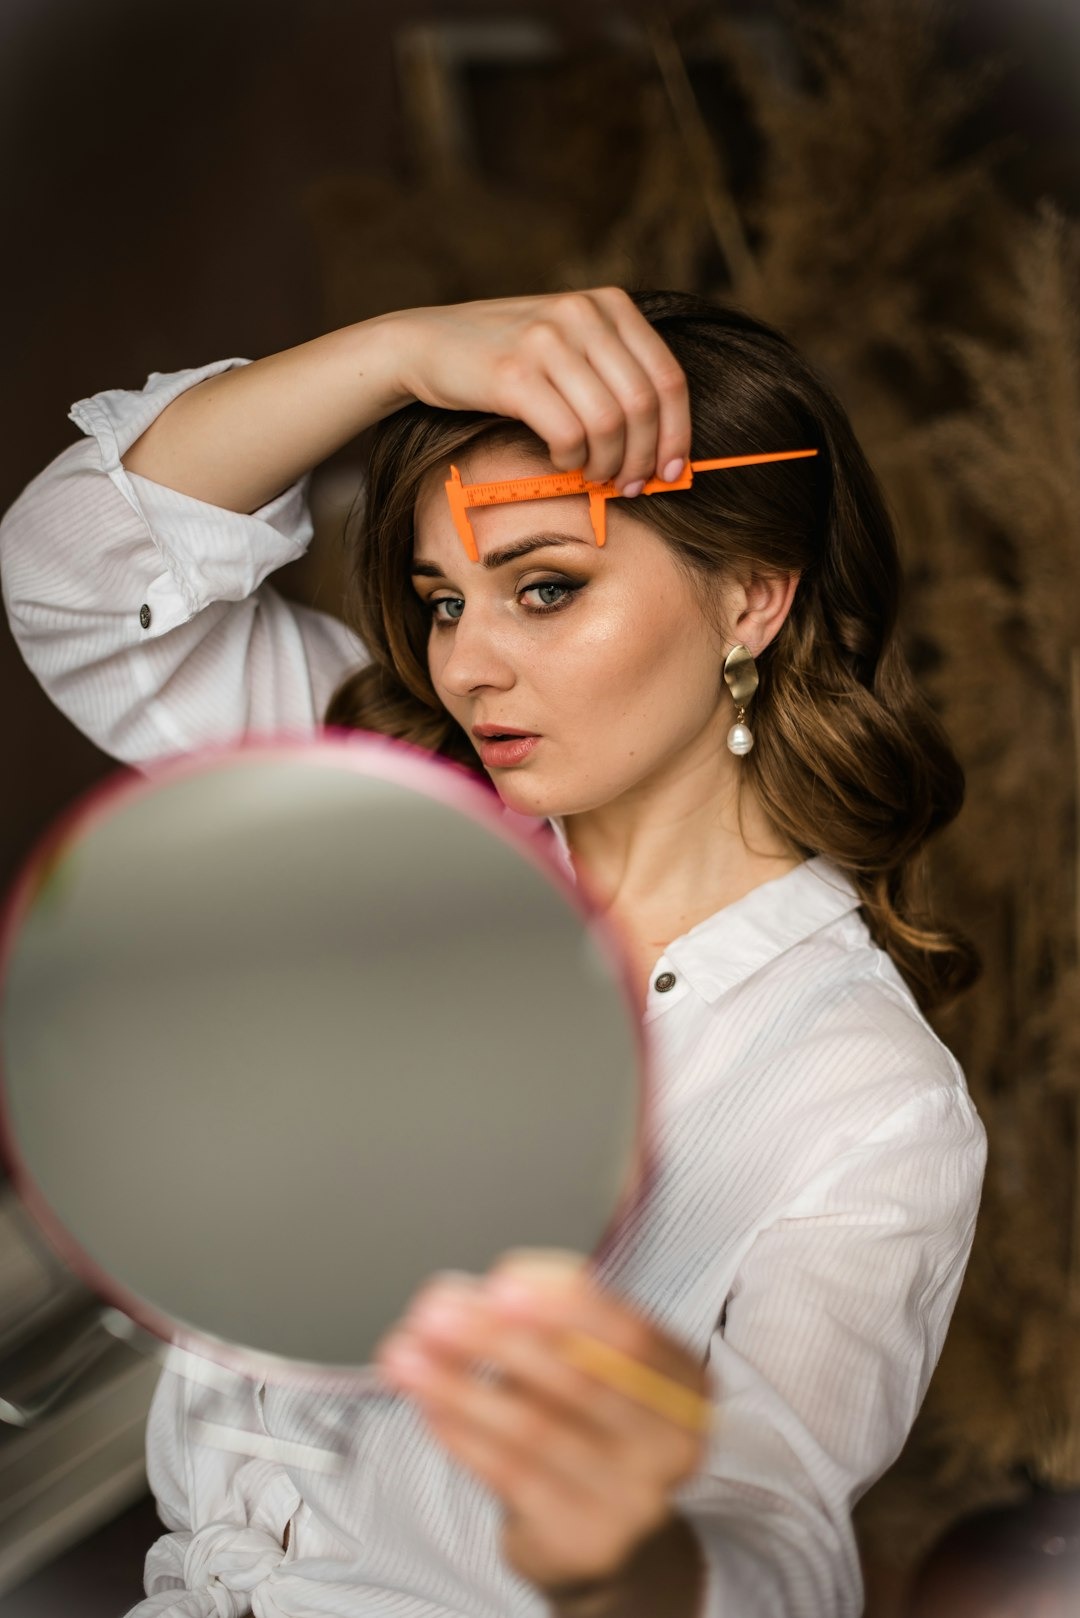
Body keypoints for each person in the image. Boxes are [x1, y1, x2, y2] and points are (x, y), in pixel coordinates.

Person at [0, 286, 988, 1618]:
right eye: (443, 598)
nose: (467, 663)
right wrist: (395, 350)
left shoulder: (868, 1102)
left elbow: (774, 1541)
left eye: (543, 587)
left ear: (752, 600)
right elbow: (77, 572)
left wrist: (627, 1547)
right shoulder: (386, 810)